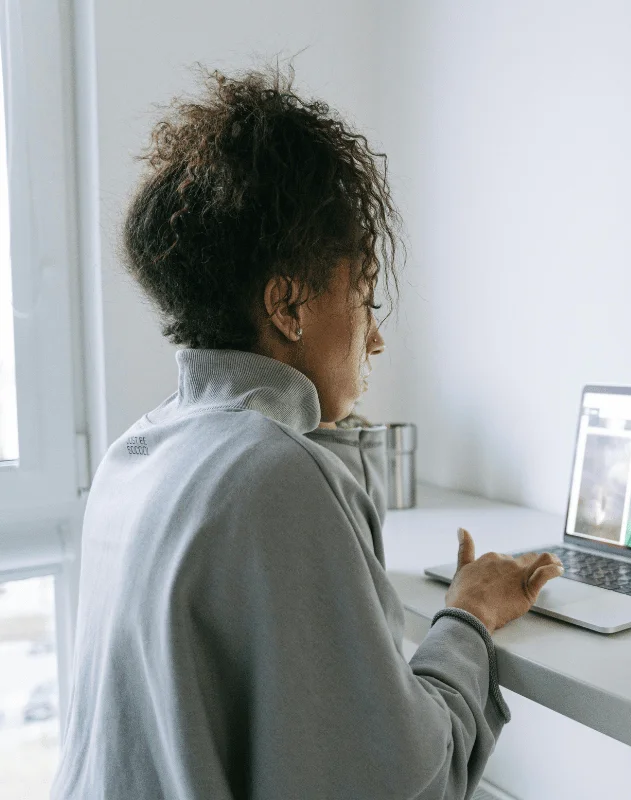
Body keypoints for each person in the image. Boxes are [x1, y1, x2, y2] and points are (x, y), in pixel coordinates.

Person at [52, 66, 562, 799]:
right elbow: (405, 782)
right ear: (289, 305)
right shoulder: (276, 476)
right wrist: (469, 613)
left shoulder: (134, 453)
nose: (376, 340)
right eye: (364, 299)